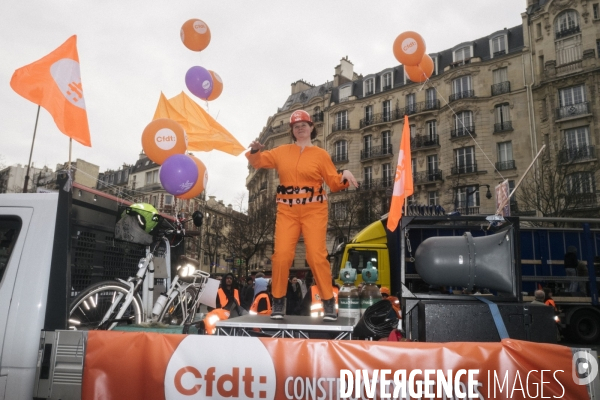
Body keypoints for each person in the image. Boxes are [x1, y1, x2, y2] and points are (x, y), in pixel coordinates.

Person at [246, 109, 358, 321]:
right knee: (281, 257)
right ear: (292, 130)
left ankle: (328, 303)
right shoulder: (281, 151)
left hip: (314, 210)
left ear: (311, 127)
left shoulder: (321, 154)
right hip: (286, 211)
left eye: (304, 125)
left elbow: (334, 183)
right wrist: (254, 151)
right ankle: (278, 302)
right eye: (296, 126)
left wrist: (344, 174)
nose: (300, 128)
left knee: (316, 256)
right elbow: (259, 162)